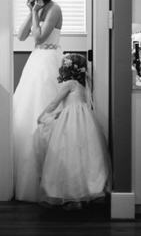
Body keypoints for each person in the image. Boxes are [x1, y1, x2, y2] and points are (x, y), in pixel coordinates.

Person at [34, 53, 111, 211]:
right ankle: (87, 190)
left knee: (68, 153)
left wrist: (42, 116)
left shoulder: (69, 83)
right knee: (84, 155)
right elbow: (73, 103)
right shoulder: (82, 84)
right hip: (84, 119)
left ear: (67, 68)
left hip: (71, 120)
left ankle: (71, 195)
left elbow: (55, 102)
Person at [12, 0, 63, 202]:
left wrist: (35, 12)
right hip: (35, 64)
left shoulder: (54, 9)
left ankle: (53, 179)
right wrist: (30, 11)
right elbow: (22, 36)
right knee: (27, 114)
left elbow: (40, 38)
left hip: (49, 63)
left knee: (48, 115)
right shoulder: (37, 9)